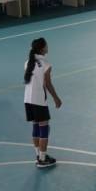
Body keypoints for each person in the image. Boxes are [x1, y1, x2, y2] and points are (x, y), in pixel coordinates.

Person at [24, 37, 62, 167]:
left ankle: (38, 155)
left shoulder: (28, 62)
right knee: (44, 128)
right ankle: (42, 159)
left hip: (28, 100)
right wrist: (56, 98)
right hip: (39, 100)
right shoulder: (46, 64)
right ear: (42, 49)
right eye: (46, 45)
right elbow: (48, 84)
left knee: (36, 127)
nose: (47, 47)